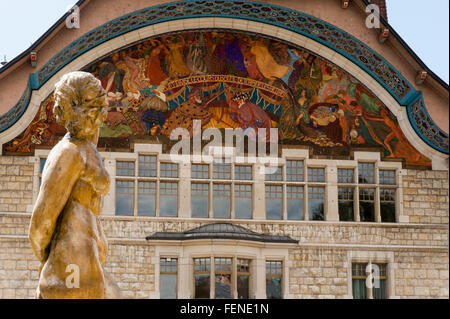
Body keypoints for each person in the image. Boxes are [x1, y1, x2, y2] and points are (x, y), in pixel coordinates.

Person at [29, 71, 121, 299]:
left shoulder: (85, 149)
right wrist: (50, 260)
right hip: (71, 272)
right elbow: (42, 222)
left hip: (85, 268)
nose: (99, 118)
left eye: (99, 110)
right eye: (93, 112)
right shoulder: (68, 153)